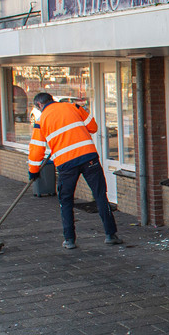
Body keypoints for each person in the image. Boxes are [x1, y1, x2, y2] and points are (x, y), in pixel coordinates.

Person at [28, 92, 120, 250]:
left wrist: (34, 170)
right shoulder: (73, 107)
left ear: (39, 105)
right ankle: (110, 235)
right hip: (88, 157)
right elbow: (93, 127)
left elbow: (36, 149)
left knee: (66, 201)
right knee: (100, 196)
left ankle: (69, 239)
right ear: (52, 100)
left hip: (66, 164)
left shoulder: (41, 120)